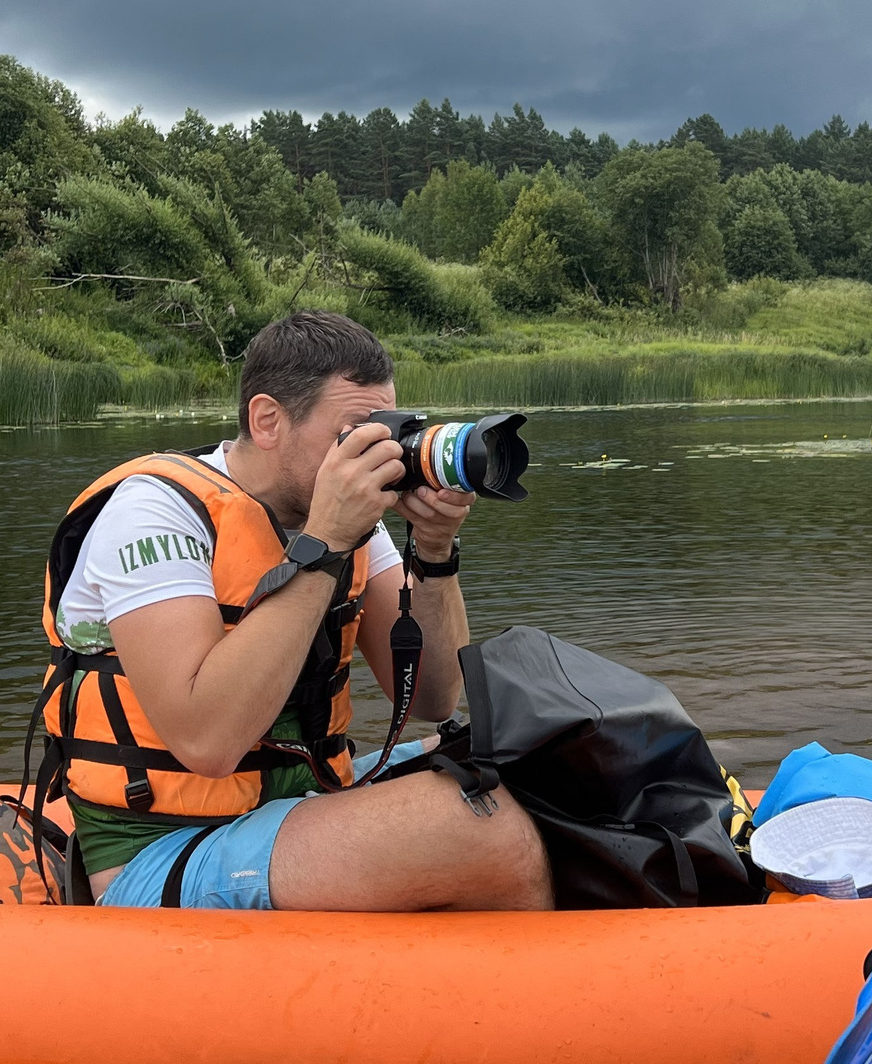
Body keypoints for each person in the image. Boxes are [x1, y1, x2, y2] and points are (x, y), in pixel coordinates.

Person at [38, 311, 552, 912]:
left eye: (385, 427)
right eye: (355, 432)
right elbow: (208, 742)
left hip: (299, 806)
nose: (377, 452)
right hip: (160, 852)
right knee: (479, 830)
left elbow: (434, 702)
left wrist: (435, 555)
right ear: (267, 420)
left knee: (538, 759)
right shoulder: (155, 511)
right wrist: (327, 541)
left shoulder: (346, 517)